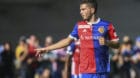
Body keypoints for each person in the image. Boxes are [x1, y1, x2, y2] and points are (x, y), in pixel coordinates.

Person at [35, 0, 119, 78]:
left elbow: (117, 44)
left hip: (102, 70)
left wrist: (107, 42)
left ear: (92, 10)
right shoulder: (79, 26)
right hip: (86, 71)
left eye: (83, 9)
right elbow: (67, 41)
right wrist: (47, 49)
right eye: (80, 10)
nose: (81, 12)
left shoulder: (107, 25)